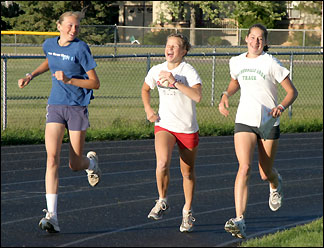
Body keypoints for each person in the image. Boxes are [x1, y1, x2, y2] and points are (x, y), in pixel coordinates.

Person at [17, 11, 101, 233]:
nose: (74, 30)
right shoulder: (48, 44)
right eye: (70, 26)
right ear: (59, 26)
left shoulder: (81, 48)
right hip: (55, 105)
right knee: (52, 157)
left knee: (74, 164)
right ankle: (52, 215)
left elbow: (95, 83)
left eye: (77, 27)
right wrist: (31, 75)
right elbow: (50, 60)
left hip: (77, 107)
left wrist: (70, 80)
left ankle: (91, 164)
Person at [218, 23, 298, 239]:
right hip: (244, 120)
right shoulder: (236, 61)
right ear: (246, 39)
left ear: (265, 42)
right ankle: (239, 220)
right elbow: (235, 81)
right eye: (252, 37)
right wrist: (226, 94)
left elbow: (292, 91)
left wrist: (280, 107)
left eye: (260, 39)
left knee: (265, 173)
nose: (256, 42)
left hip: (267, 122)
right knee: (244, 167)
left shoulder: (270, 62)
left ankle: (275, 182)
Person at [141, 33, 202, 232]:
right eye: (168, 45)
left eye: (175, 46)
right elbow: (145, 89)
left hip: (186, 127)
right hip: (164, 124)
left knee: (187, 172)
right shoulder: (156, 69)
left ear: (184, 51)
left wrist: (175, 82)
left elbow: (198, 96)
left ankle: (187, 211)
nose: (170, 49)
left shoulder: (188, 71)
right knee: (162, 162)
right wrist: (149, 109)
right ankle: (162, 200)